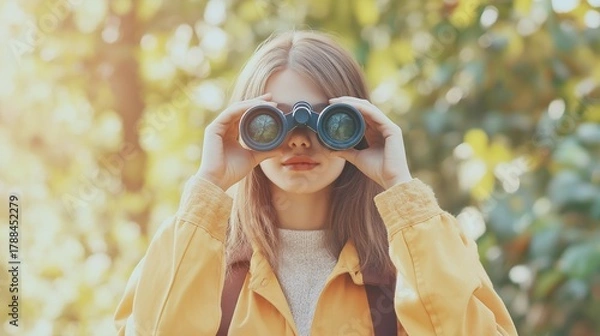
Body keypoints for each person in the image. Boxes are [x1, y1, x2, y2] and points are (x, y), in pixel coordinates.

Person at [113, 30, 518, 336]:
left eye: (331, 120)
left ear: (363, 123)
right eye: (273, 121)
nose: (301, 138)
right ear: (243, 127)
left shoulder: (419, 250)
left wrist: (401, 191)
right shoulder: (195, 251)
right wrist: (208, 188)